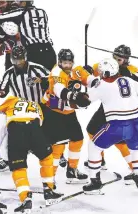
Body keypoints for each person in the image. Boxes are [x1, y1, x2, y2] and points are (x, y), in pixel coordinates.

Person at [82, 58, 138, 196]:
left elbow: (84, 101)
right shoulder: (129, 80)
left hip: (116, 126)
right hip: (135, 125)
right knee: (136, 151)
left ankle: (95, 182)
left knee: (93, 146)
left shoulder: (102, 85)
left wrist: (76, 95)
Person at [0, 96, 63, 213]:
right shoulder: (36, 105)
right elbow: (40, 122)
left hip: (16, 129)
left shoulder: (12, 99)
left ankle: (25, 197)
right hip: (34, 127)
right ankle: (49, 190)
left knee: (18, 167)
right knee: (46, 158)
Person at [41, 48, 98, 184]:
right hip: (52, 112)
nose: (67, 65)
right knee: (58, 146)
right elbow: (59, 89)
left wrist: (96, 83)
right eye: (64, 63)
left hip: (68, 112)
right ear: (59, 62)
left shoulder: (76, 70)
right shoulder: (56, 72)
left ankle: (72, 169)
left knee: (77, 139)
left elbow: (89, 79)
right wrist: (75, 96)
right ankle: (50, 179)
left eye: (69, 63)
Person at [0, 45, 50, 171]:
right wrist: (1, 92)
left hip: (39, 106)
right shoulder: (9, 73)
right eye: (15, 60)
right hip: (21, 109)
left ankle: (57, 154)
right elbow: (3, 87)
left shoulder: (37, 68)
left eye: (20, 60)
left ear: (25, 58)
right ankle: (6, 158)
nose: (18, 63)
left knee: (47, 129)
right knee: (11, 133)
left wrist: (41, 80)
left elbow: (52, 78)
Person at [0, 0, 57, 71]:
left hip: (33, 51)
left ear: (24, 3)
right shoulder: (42, 12)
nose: (15, 3)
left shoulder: (20, 12)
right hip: (50, 50)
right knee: (50, 80)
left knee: (32, 80)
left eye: (18, 1)